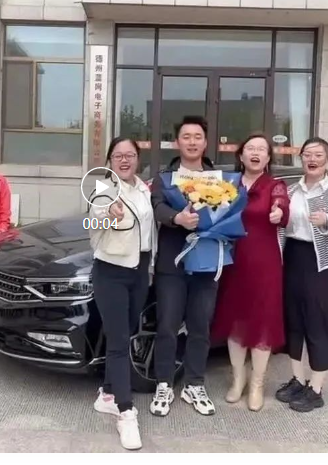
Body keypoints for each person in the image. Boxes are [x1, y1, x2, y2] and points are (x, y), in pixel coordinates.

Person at [210, 134, 290, 412]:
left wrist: (279, 213)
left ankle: (257, 384)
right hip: (232, 262)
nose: (255, 153)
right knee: (235, 321)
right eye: (250, 148)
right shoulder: (227, 184)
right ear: (241, 155)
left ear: (268, 158)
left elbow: (282, 207)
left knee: (262, 322)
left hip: (264, 265)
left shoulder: (275, 186)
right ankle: (238, 380)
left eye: (261, 149)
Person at [275, 137, 328, 413]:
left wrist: (326, 220)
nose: (312, 159)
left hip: (320, 262)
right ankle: (298, 379)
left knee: (318, 322)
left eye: (318, 154)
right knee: (293, 320)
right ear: (301, 158)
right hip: (292, 257)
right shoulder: (290, 189)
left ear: (327, 159)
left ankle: (316, 388)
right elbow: (282, 223)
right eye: (307, 154)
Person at [88, 137, 157, 451]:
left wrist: (151, 267)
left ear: (138, 159)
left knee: (125, 334)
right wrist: (107, 216)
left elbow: (150, 231)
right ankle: (125, 412)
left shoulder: (144, 190)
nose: (124, 160)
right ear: (110, 161)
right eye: (118, 156)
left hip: (139, 271)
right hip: (111, 272)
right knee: (118, 343)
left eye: (130, 155)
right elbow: (90, 222)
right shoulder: (103, 190)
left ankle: (106, 394)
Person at [149, 115, 218, 417]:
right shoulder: (164, 178)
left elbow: (229, 211)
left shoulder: (219, 179)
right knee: (167, 325)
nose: (192, 142)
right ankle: (164, 383)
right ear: (177, 142)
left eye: (197, 136)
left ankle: (194, 384)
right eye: (186, 136)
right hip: (172, 263)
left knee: (200, 326)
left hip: (206, 263)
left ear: (205, 142)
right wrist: (176, 218)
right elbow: (156, 206)